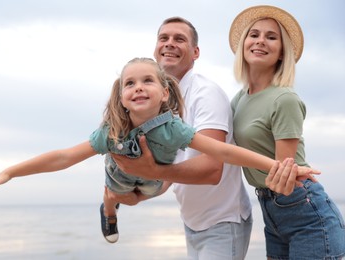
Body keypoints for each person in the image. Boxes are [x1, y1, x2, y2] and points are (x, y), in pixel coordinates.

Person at [0, 57, 308, 246]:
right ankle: (109, 209)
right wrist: (9, 173)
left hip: (153, 181)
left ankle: (123, 197)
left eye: (147, 80)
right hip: (120, 179)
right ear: (121, 97)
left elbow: (224, 151)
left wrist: (279, 165)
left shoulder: (173, 128)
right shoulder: (111, 131)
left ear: (164, 92)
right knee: (115, 191)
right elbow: (64, 157)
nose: (137, 87)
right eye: (129, 83)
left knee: (158, 183)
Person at [108, 17, 318, 259]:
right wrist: (141, 195)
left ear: (196, 52)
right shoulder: (165, 104)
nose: (169, 44)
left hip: (223, 221)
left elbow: (212, 168)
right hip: (195, 222)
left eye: (180, 39)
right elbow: (173, 166)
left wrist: (152, 171)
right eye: (163, 38)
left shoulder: (205, 94)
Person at [228, 5, 345, 259]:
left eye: (272, 37)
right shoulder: (239, 99)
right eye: (254, 34)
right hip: (270, 210)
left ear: (282, 53)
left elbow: (282, 176)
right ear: (243, 44)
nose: (261, 40)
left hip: (305, 211)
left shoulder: (284, 99)